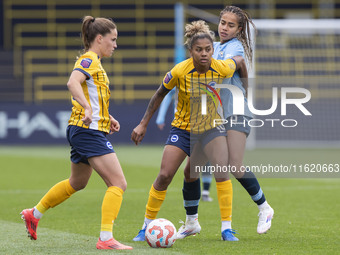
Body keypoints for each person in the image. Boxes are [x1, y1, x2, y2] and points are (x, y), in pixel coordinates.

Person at [20, 16, 132, 250]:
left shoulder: (95, 62)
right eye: (113, 39)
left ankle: (34, 214)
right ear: (99, 39)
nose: (115, 44)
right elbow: (72, 83)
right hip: (87, 130)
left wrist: (105, 116)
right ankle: (106, 239)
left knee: (77, 182)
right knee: (118, 183)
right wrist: (89, 108)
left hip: (85, 129)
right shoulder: (89, 59)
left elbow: (89, 93)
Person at [131, 20, 248, 242]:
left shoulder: (221, 66)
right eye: (199, 50)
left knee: (219, 172)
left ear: (213, 50)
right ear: (190, 51)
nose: (204, 54)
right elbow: (159, 94)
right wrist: (143, 123)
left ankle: (226, 229)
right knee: (165, 175)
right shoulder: (179, 71)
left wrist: (245, 90)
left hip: (211, 129)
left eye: (208, 49)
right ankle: (146, 226)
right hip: (183, 128)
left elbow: (240, 61)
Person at [156, 90, 214, 202]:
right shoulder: (180, 74)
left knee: (204, 158)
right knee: (181, 168)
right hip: (182, 127)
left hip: (203, 124)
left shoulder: (208, 76)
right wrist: (161, 117)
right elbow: (167, 94)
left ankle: (205, 192)